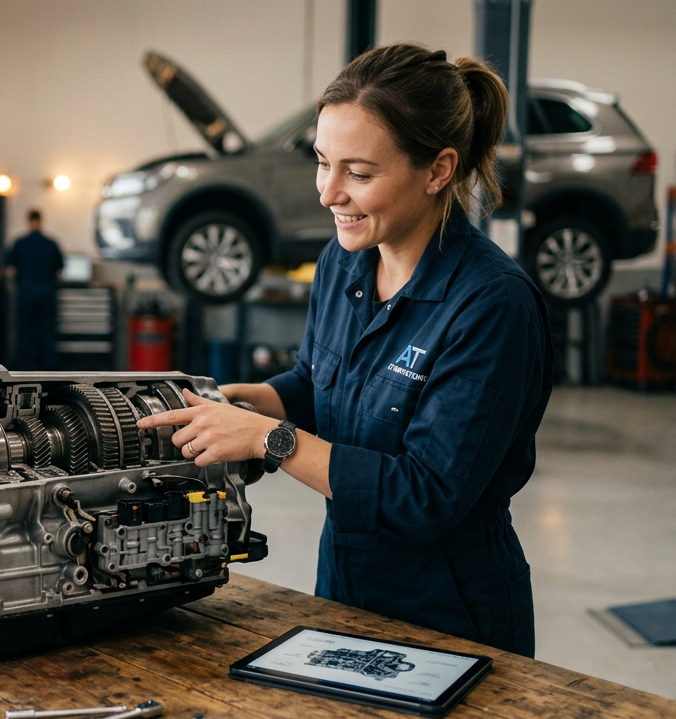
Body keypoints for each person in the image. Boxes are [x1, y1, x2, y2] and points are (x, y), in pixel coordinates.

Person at [136, 43, 552, 657]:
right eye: (322, 162)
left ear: (438, 170)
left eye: (358, 173)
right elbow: (317, 379)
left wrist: (269, 441)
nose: (329, 193)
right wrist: (251, 403)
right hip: (342, 586)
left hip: (451, 609)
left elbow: (427, 495)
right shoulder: (342, 261)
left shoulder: (492, 305)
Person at [5, 209, 65, 369]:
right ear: (41, 221)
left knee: (24, 332)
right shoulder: (51, 243)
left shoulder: (19, 243)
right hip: (46, 294)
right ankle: (49, 367)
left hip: (25, 293)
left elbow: (10, 270)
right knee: (47, 331)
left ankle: (23, 366)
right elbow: (60, 270)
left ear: (28, 221)